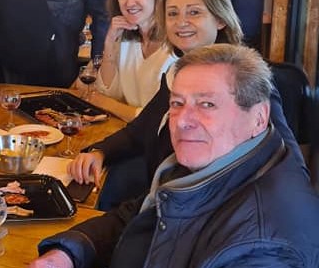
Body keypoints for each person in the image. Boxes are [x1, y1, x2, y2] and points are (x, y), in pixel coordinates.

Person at [31, 44, 319, 268]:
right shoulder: (216, 162)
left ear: (259, 117)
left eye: (206, 104)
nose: (182, 121)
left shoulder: (266, 244)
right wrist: (69, 251)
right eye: (177, 104)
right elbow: (136, 215)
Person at [68, 0, 300, 208]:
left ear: (220, 19)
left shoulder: (245, 78)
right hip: (165, 199)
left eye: (194, 12)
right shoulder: (178, 73)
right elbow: (140, 129)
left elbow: (289, 163)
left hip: (210, 215)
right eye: (172, 13)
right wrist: (99, 152)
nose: (181, 22)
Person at [90, 0, 175, 121]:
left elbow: (160, 119)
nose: (129, 2)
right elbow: (107, 92)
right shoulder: (125, 39)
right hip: (127, 133)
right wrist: (109, 43)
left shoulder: (175, 46)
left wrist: (110, 105)